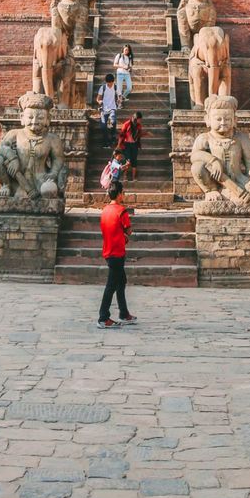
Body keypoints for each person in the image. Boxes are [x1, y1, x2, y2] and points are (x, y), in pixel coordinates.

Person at [98, 182, 136, 328]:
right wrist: (125, 235)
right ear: (120, 193)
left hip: (108, 251)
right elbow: (129, 231)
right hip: (117, 253)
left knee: (121, 282)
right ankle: (103, 317)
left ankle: (124, 313)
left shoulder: (105, 210)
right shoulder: (121, 211)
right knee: (111, 286)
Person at [119, 110, 145, 182]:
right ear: (137, 118)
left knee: (134, 161)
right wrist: (118, 145)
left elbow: (139, 135)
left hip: (134, 144)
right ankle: (125, 177)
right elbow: (121, 135)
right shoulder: (127, 124)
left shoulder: (139, 126)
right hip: (126, 144)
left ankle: (134, 178)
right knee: (128, 160)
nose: (141, 120)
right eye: (140, 119)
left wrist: (146, 134)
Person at [96, 72, 119, 148]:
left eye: (111, 83)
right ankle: (106, 142)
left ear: (113, 81)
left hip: (112, 108)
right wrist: (99, 101)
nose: (110, 85)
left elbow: (119, 96)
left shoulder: (116, 87)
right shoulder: (103, 87)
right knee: (103, 127)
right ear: (106, 82)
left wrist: (119, 100)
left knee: (113, 121)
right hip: (104, 109)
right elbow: (98, 98)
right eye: (108, 83)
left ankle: (113, 136)